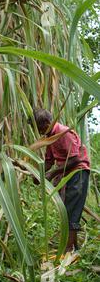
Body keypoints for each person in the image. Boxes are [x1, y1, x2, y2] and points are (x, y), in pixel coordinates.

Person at [33, 108, 90, 253]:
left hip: (78, 173)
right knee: (65, 209)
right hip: (65, 174)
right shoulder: (49, 137)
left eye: (40, 128)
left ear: (47, 123)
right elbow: (49, 161)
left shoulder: (63, 133)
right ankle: (72, 247)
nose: (39, 133)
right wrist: (38, 174)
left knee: (71, 210)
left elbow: (75, 158)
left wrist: (52, 174)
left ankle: (69, 249)